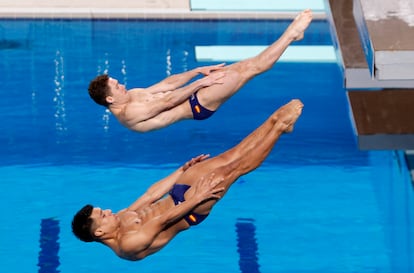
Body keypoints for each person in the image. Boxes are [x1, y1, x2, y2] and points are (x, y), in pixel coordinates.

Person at [72, 99, 304, 261]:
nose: (109, 211)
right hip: (190, 209)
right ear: (100, 233)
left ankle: (274, 120)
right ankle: (280, 128)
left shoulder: (121, 217)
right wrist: (199, 197)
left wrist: (180, 171)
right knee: (235, 168)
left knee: (229, 156)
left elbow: (150, 196)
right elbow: (164, 220)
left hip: (177, 194)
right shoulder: (128, 246)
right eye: (103, 216)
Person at [87, 10, 312, 132]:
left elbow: (167, 85)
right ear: (109, 98)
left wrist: (197, 71)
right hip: (197, 104)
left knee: (246, 67)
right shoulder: (129, 114)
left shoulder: (131, 95)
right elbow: (167, 103)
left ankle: (291, 37)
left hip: (195, 93)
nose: (122, 85)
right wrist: (200, 84)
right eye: (117, 86)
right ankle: (291, 34)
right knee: (251, 68)